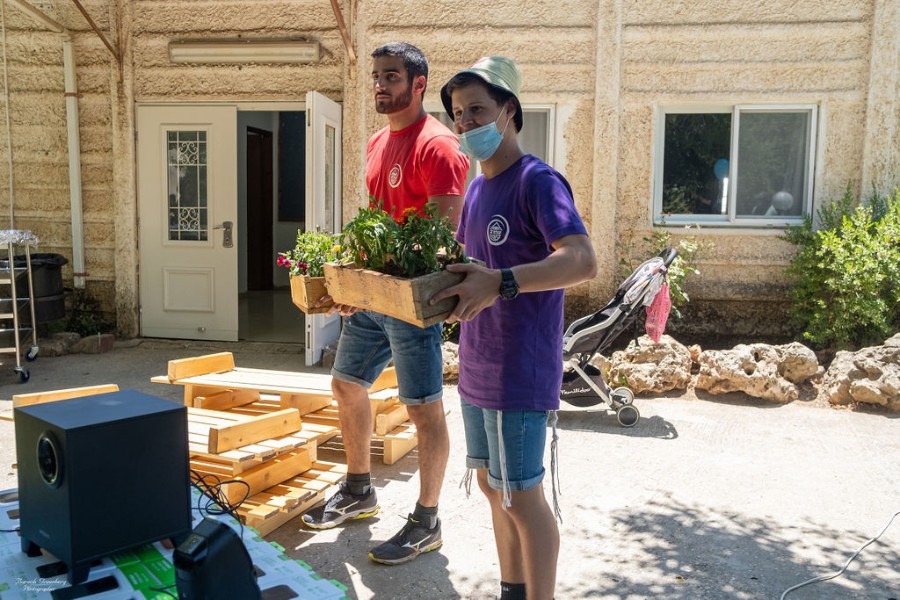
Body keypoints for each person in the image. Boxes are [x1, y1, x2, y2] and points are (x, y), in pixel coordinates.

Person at [431, 56, 597, 600]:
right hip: (478, 365)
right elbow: (474, 271)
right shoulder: (477, 190)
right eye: (457, 114)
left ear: (509, 110)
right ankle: (512, 588)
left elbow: (581, 261)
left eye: (477, 110)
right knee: (490, 485)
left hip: (519, 369)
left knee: (521, 496)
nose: (466, 124)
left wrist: (500, 282)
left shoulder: (538, 181)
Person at [301, 41, 470, 566]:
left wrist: (382, 283)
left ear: (418, 84)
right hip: (375, 298)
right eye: (377, 76)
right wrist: (354, 285)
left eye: (391, 76)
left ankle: (427, 519)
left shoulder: (438, 145)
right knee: (346, 384)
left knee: (423, 409)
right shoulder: (378, 142)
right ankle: (359, 490)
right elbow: (376, 224)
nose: (380, 84)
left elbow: (441, 234)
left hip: (413, 301)